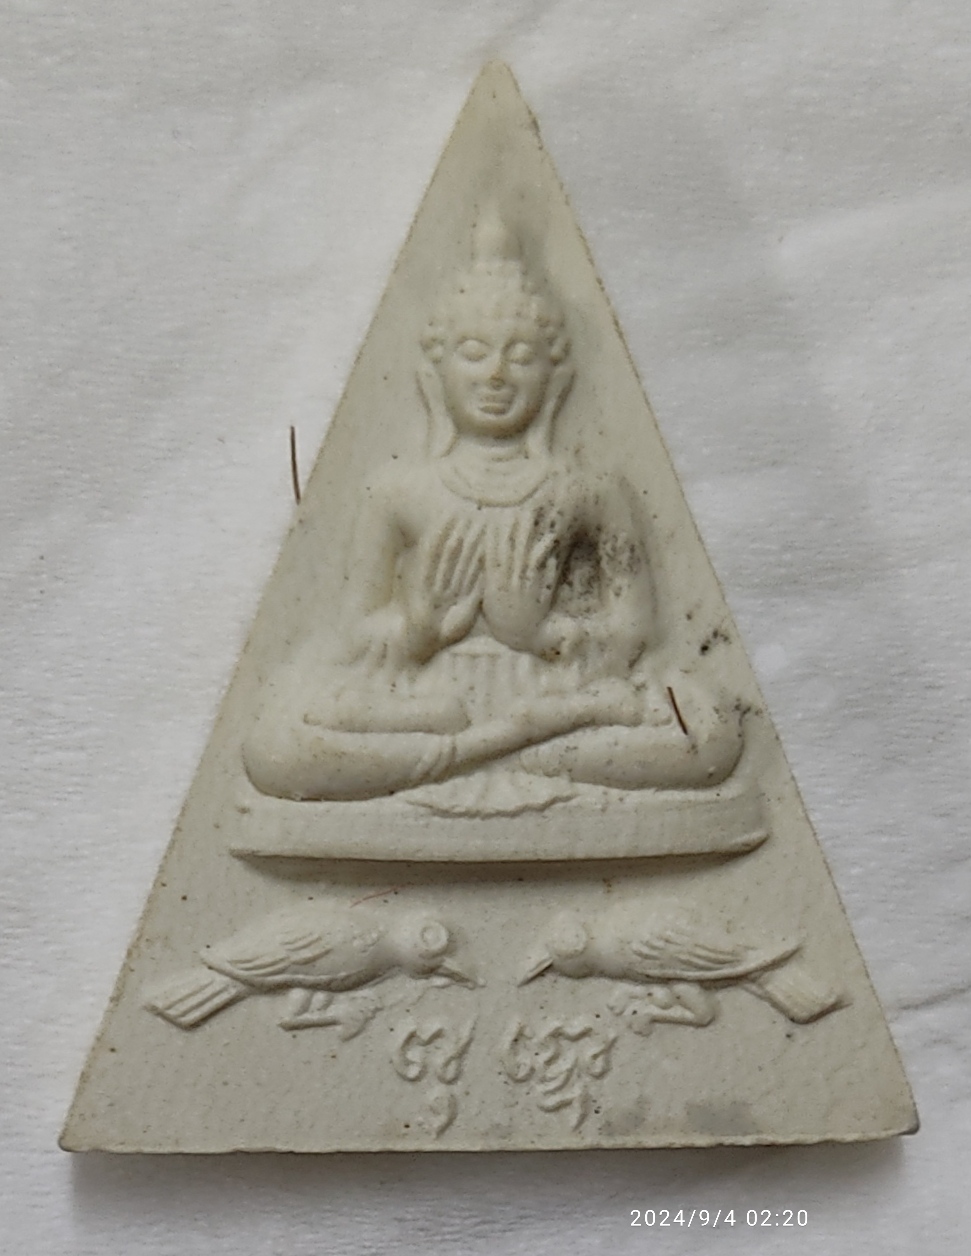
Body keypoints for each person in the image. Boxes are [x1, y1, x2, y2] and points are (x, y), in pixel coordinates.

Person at [244, 213, 742, 811]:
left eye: (522, 356)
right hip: (424, 708)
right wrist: (419, 629)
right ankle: (509, 750)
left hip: (563, 697)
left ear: (556, 378)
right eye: (474, 353)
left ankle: (481, 754)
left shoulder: (589, 489)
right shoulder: (398, 489)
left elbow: (636, 631)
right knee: (276, 745)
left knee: (708, 733)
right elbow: (355, 631)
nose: (497, 376)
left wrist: (538, 633)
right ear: (436, 373)